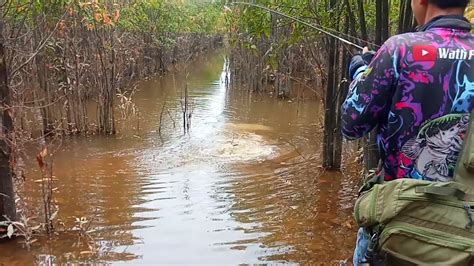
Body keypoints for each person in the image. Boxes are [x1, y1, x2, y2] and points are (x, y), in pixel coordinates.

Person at [342, 0, 474, 264]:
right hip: (464, 236)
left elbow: (351, 123)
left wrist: (361, 70)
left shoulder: (399, 49)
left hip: (396, 229)